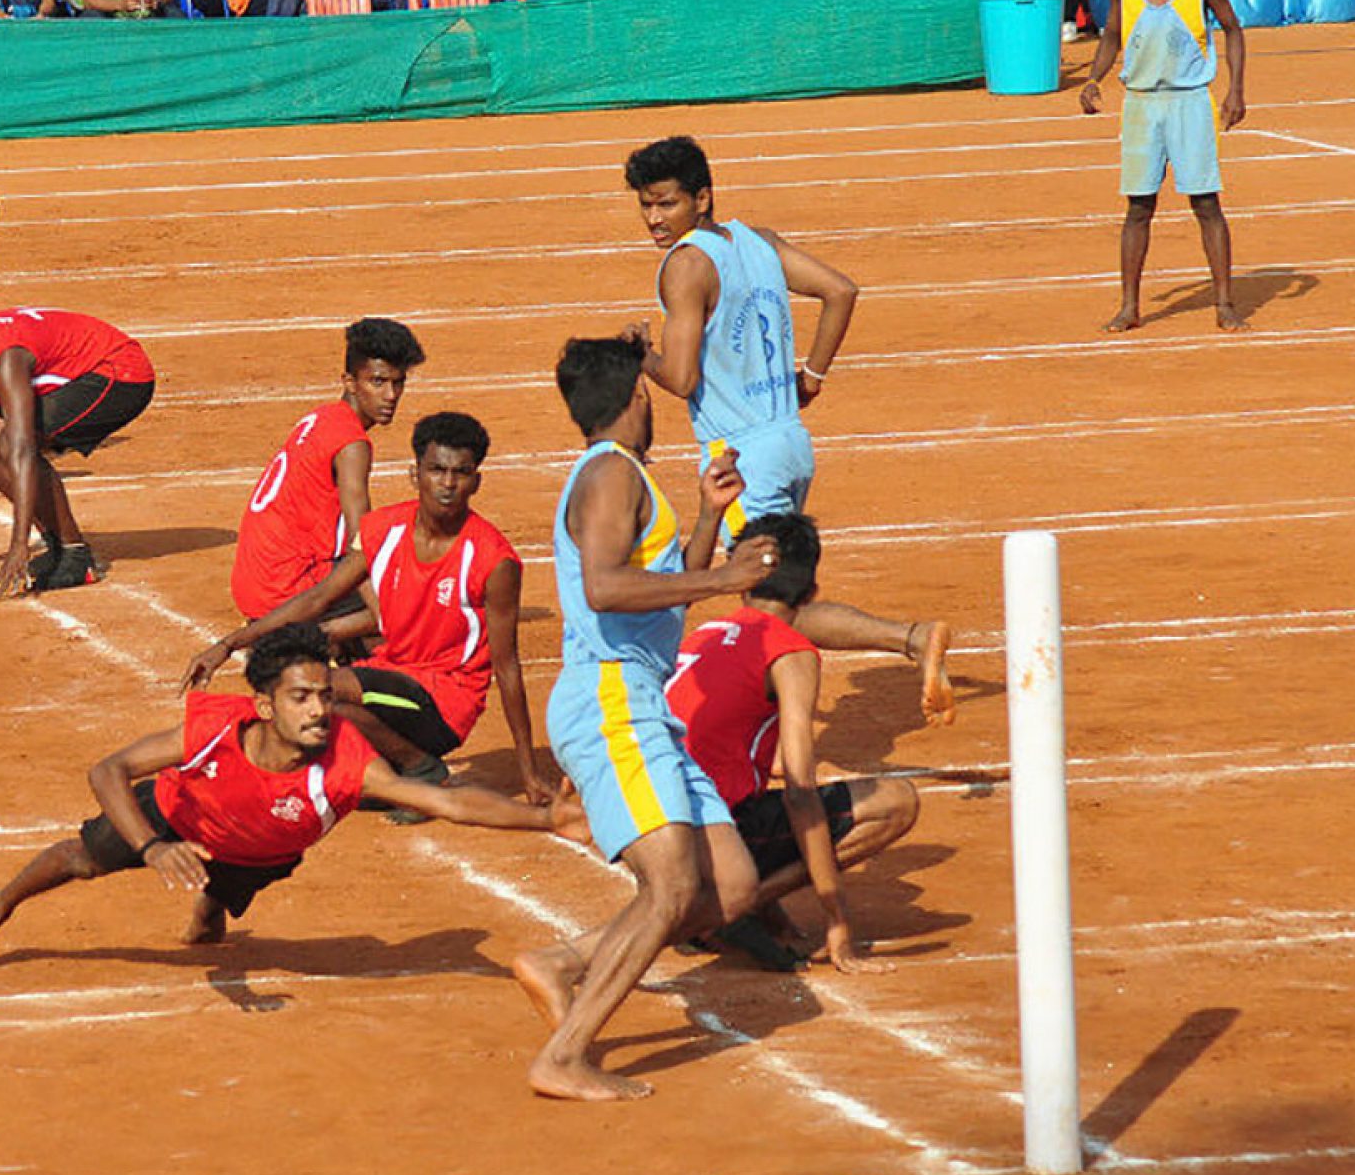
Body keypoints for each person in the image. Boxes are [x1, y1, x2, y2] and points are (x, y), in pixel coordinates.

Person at [0, 623, 586, 973]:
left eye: (327, 696)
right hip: (179, 816)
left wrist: (543, 818)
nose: (321, 711)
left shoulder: (344, 764)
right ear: (265, 706)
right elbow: (110, 769)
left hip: (264, 843)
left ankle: (214, 901)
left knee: (229, 897)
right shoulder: (216, 727)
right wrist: (154, 845)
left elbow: (448, 803)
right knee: (79, 857)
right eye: (302, 699)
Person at [512, 337, 777, 1103]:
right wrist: (726, 571)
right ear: (636, 396)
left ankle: (566, 961)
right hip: (611, 698)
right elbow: (603, 587)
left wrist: (706, 517)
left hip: (641, 701)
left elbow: (663, 587)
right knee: (668, 887)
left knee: (725, 889)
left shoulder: (628, 477)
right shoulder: (605, 476)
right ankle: (564, 1056)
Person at [624, 135, 956, 727]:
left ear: (701, 198)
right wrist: (812, 375)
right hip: (790, 441)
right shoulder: (760, 242)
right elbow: (840, 290)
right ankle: (771, 722)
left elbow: (679, 375)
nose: (653, 219)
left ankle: (911, 639)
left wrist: (640, 355)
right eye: (646, 205)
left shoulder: (685, 265)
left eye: (665, 204)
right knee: (775, 596)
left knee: (777, 604)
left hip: (741, 456)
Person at [184, 412, 553, 806]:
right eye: (437, 470)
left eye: (460, 473)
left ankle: (420, 767)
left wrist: (528, 773)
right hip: (388, 673)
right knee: (308, 727)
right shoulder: (384, 529)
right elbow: (319, 597)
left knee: (316, 696)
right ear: (416, 474)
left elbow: (507, 665)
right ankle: (384, 777)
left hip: (446, 700)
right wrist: (228, 644)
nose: (447, 484)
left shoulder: (493, 561)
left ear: (476, 481)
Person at [666, 513, 919, 972]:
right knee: (897, 801)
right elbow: (801, 792)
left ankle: (731, 902)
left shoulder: (703, 635)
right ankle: (722, 911)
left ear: (743, 583)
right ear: (811, 594)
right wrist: (837, 920)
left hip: (662, 832)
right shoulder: (789, 651)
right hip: (715, 834)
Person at [0, 278, 157, 595]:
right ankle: (59, 544)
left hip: (121, 372)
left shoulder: (3, 358)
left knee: (6, 441)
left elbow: (20, 448)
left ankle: (74, 555)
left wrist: (18, 545)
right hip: (89, 369)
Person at [231, 318, 426, 640]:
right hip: (284, 590)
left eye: (398, 382)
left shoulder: (322, 417)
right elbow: (361, 542)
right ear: (349, 381)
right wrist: (385, 613)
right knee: (415, 604)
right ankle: (311, 638)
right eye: (377, 382)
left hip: (257, 582)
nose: (390, 395)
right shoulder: (352, 446)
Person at [1079, 0, 1250, 332]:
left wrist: (1236, 91)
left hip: (1191, 102)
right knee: (1139, 206)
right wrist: (1093, 79)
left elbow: (1232, 28)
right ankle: (1130, 307)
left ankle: (1225, 304)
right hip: (1141, 104)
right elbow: (1112, 34)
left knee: (1205, 202)